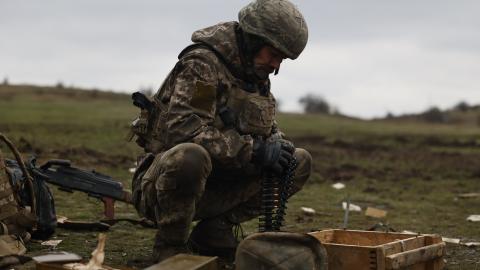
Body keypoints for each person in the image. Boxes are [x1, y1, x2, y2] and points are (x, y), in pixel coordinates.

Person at [130, 0, 311, 263]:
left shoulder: (255, 77)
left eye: (281, 58)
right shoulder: (202, 65)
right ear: (253, 40)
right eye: (273, 54)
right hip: (165, 187)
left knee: (297, 161)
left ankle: (215, 231)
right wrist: (253, 151)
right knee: (190, 156)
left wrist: (276, 146)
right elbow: (184, 130)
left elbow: (266, 129)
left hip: (219, 185)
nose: (276, 65)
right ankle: (170, 247)